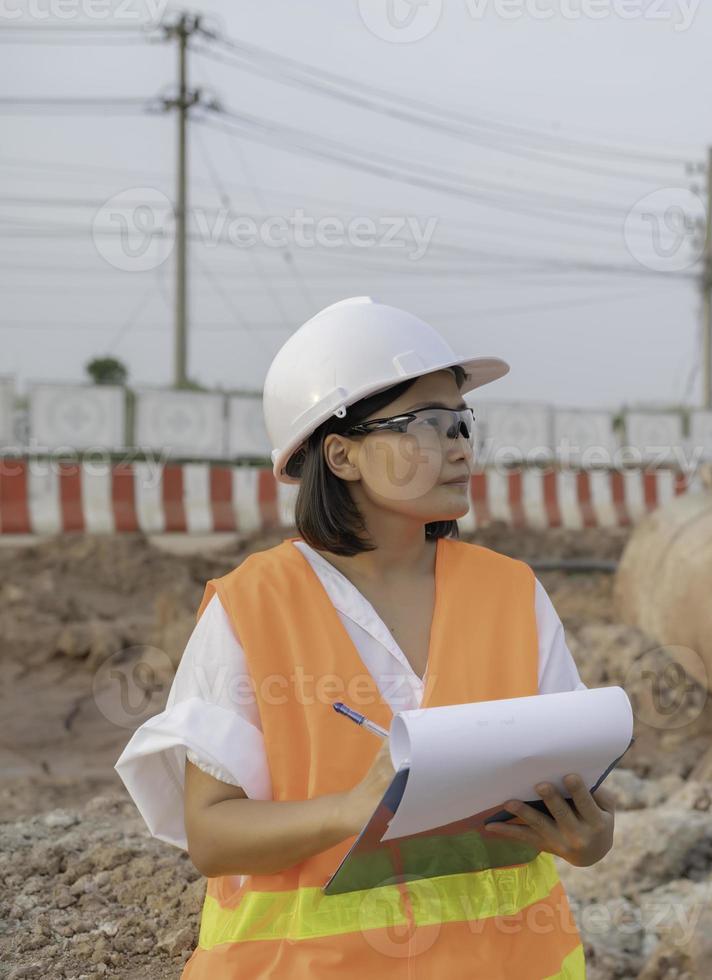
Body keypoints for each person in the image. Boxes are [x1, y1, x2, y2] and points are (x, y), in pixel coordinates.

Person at [114, 296, 608, 978]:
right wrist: (347, 811)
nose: (460, 444)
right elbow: (212, 835)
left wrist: (589, 837)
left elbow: (575, 788)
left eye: (463, 422)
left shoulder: (512, 593)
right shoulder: (254, 608)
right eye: (428, 424)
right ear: (341, 454)